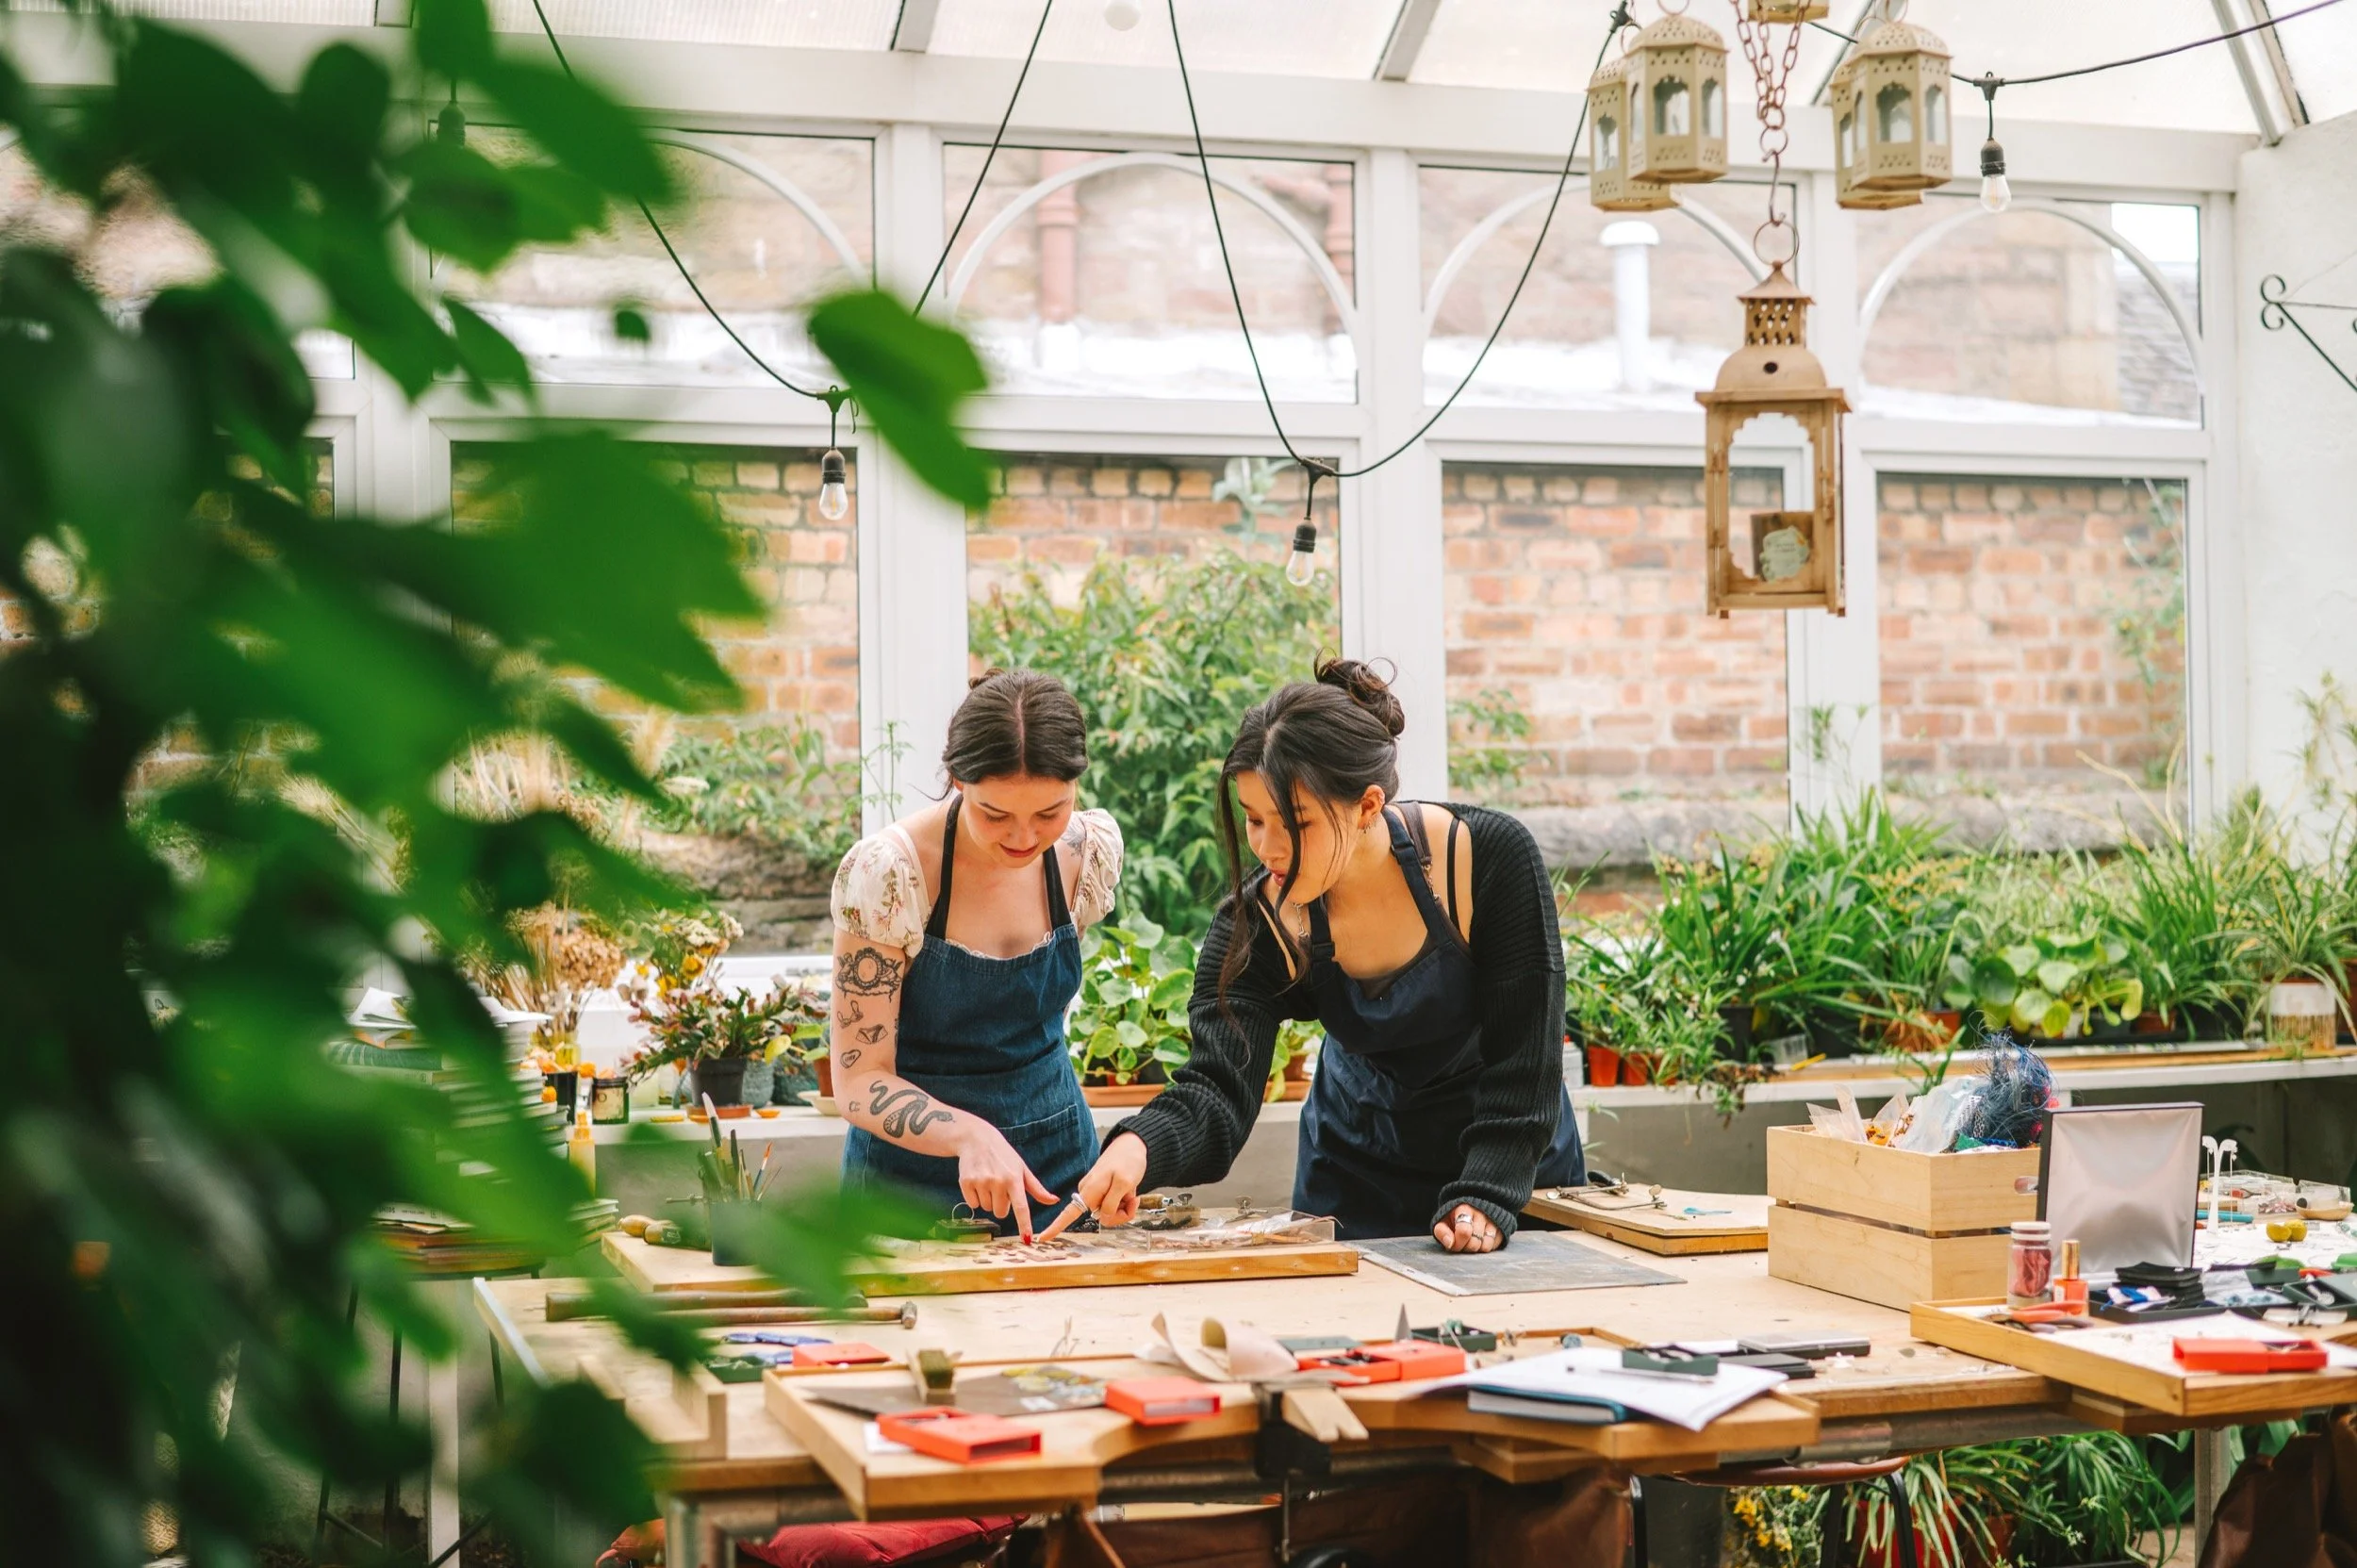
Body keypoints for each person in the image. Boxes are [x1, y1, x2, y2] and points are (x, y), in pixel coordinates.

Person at [1072, 659, 1582, 1251]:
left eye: (1295, 822)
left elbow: (1528, 1057)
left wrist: (1489, 1192)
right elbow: (1218, 1091)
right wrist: (1137, 1148)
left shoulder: (1487, 859)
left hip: (1510, 1163)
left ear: (1367, 806)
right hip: (1356, 1171)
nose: (1266, 846)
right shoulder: (1258, 926)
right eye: (1253, 819)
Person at [830, 668, 1123, 1239]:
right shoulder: (891, 875)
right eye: (996, 814)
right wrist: (968, 1134)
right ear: (959, 780)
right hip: (906, 1191)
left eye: (1049, 812)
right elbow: (859, 1078)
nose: (1023, 837)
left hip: (1057, 1173)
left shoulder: (1082, 857)